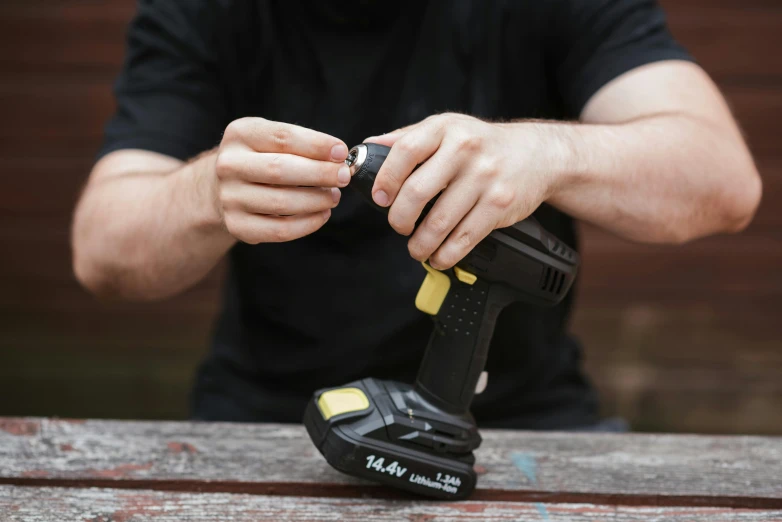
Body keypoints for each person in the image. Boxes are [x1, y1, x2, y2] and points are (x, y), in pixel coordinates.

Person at [71, 0, 761, 430]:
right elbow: (102, 251)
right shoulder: (203, 13)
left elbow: (723, 180)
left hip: (521, 417)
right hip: (266, 417)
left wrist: (545, 151)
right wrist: (203, 196)